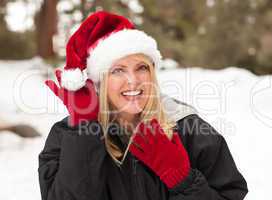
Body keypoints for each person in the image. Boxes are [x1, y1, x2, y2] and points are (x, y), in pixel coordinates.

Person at [38, 11, 248, 200]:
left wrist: (184, 182)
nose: (133, 80)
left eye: (141, 68)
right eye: (117, 70)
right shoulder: (66, 136)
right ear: (98, 81)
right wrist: (84, 132)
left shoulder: (189, 129)